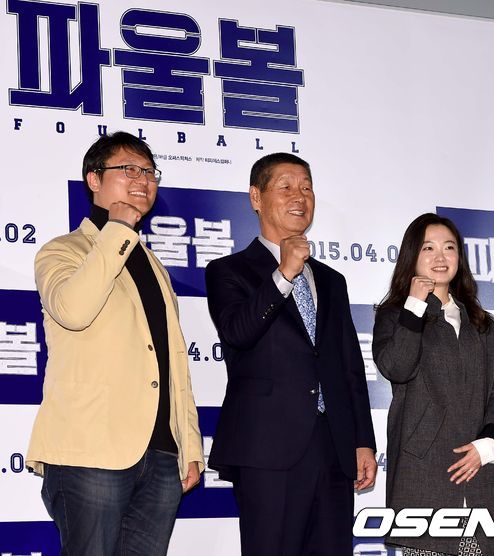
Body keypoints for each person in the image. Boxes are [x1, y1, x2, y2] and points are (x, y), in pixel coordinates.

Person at [26, 131, 204, 555]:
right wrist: (118, 228)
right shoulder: (62, 251)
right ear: (94, 179)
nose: (142, 179)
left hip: (160, 454)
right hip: (91, 451)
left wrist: (189, 443)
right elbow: (73, 310)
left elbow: (172, 362)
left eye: (149, 172)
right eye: (128, 169)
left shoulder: (154, 265)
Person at [205, 152, 377, 556]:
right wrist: (283, 274)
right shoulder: (228, 271)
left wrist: (362, 441)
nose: (300, 196)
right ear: (256, 197)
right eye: (285, 187)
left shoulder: (332, 280)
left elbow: (349, 366)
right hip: (267, 447)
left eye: (306, 187)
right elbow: (238, 332)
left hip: (333, 447)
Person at [372, 213, 494, 555]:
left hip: (481, 475)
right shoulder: (396, 315)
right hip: (424, 477)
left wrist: (489, 444)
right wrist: (414, 306)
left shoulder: (480, 322)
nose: (440, 256)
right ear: (413, 256)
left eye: (449, 247)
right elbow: (396, 367)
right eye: (429, 248)